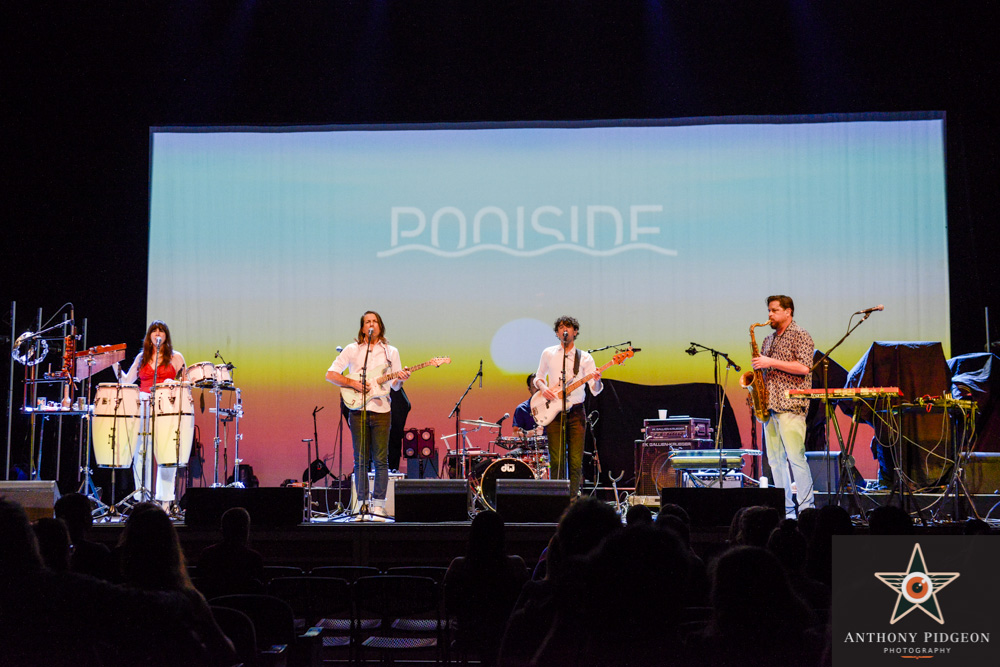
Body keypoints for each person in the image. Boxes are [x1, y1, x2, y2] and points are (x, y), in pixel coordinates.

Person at [326, 310, 409, 518]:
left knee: (381, 459)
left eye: (374, 321)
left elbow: (396, 387)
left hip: (382, 410)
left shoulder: (392, 352)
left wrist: (401, 379)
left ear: (380, 326)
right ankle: (361, 504)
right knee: (360, 459)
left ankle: (379, 504)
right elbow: (331, 374)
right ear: (362, 327)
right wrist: (352, 382)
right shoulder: (353, 350)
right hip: (358, 410)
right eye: (367, 322)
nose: (371, 324)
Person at [751, 295, 815, 518]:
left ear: (788, 311)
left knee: (796, 459)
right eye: (769, 310)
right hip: (770, 407)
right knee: (775, 462)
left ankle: (807, 509)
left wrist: (770, 362)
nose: (770, 315)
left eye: (774, 310)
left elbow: (805, 367)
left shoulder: (801, 335)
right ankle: (786, 510)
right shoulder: (768, 340)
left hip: (791, 405)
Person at [114, 320, 187, 508]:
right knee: (141, 452)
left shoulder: (176, 357)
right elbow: (127, 381)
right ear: (149, 336)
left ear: (166, 336)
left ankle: (165, 502)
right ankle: (142, 499)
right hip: (143, 405)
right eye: (154, 331)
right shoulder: (142, 358)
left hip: (167, 408)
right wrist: (114, 364)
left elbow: (186, 385)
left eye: (161, 331)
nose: (157, 333)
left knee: (166, 454)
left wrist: (174, 383)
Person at [533, 316, 602, 498]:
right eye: (561, 327)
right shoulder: (548, 353)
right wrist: (544, 388)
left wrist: (597, 380)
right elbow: (538, 377)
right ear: (557, 333)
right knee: (555, 459)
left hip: (577, 412)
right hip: (554, 413)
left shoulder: (585, 358)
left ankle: (572, 499)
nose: (565, 330)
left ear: (575, 331)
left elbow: (594, 391)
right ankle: (556, 498)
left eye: (569, 327)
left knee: (575, 460)